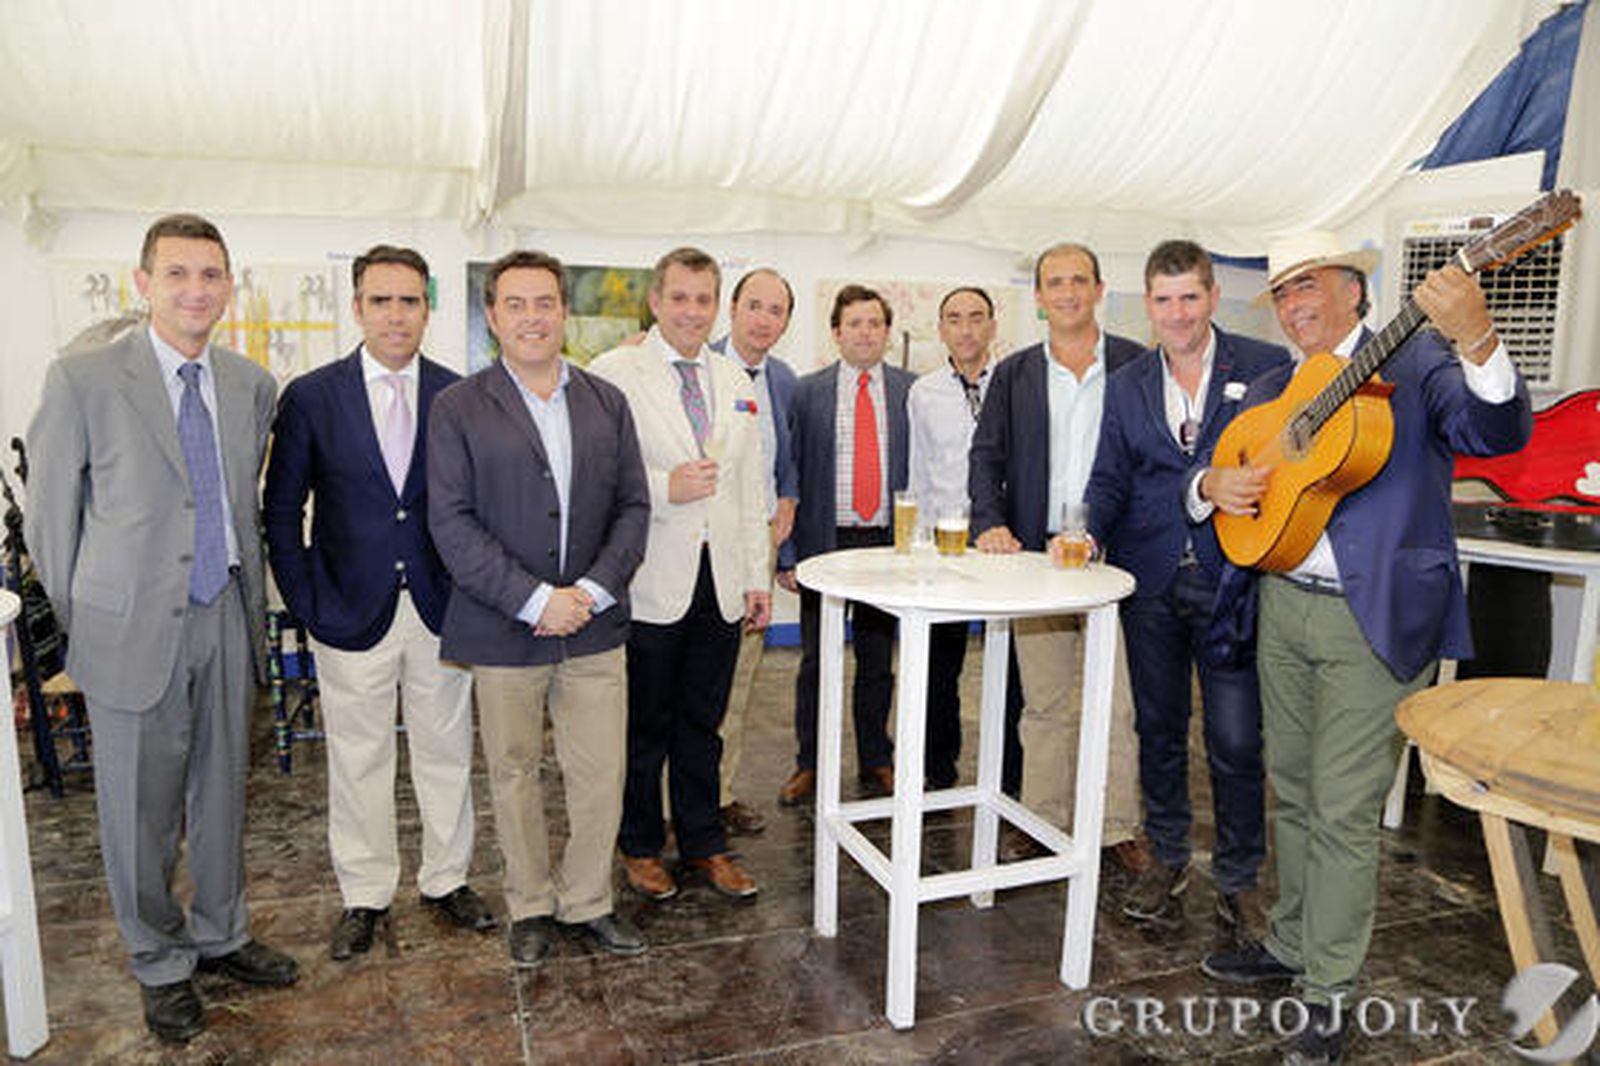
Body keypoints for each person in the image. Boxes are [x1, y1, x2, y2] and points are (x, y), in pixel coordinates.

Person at [1199, 232, 1532, 1064]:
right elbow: (1229, 463)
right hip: (1282, 605)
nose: (1294, 305)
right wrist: (1215, 485)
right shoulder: (1277, 386)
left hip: (1373, 616)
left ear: (1355, 290)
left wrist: (1479, 337)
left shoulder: (1417, 364)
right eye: (1280, 293)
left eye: (1307, 286)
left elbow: (1498, 431)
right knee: (1293, 792)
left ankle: (1329, 992)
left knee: (1345, 809)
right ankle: (1289, 941)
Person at [24, 213, 295, 1044]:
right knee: (138, 813)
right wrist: (88, 618)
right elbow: (49, 522)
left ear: (229, 286)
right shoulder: (85, 379)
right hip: (127, 629)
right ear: (142, 282)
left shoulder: (252, 384)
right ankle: (158, 959)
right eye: (176, 274)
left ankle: (221, 932)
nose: (195, 290)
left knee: (221, 794)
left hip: (223, 613)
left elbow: (236, 506)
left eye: (211, 274)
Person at [263, 245, 492, 962]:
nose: (396, 315)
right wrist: (306, 600)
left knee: (447, 752)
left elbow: (475, 510)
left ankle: (448, 879)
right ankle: (364, 894)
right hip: (346, 612)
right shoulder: (311, 396)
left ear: (429, 308)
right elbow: (280, 511)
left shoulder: (460, 396)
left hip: (437, 611)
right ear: (357, 306)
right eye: (381, 300)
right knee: (358, 758)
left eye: (409, 301)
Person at [428, 250, 651, 966]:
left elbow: (633, 507)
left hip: (593, 626)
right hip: (502, 626)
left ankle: (588, 901)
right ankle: (529, 902)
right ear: (492, 316)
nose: (532, 317)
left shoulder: (606, 402)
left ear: (565, 312)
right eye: (516, 304)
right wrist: (533, 600)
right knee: (513, 771)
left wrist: (586, 594)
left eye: (545, 302)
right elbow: (452, 522)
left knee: (599, 771)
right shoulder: (457, 407)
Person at [1085, 239, 1290, 932]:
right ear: (1148, 304)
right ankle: (1169, 857)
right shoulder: (1127, 383)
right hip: (1150, 585)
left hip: (1234, 580)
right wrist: (1088, 535)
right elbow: (1112, 477)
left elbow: (1285, 466)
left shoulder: (1265, 368)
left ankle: (1238, 877)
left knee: (1235, 741)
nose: (1177, 313)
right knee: (1159, 729)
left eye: (1190, 298)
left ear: (1212, 297)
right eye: (1164, 300)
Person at [590, 247, 770, 901]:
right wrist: (668, 487)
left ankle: (703, 844)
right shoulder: (613, 374)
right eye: (680, 298)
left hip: (719, 582)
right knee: (644, 726)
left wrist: (757, 576)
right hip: (648, 581)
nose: (692, 311)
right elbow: (599, 479)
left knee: (703, 722)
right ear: (655, 302)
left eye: (703, 299)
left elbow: (751, 487)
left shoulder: (736, 382)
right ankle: (639, 845)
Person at [968, 243, 1146, 867]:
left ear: (1099, 289)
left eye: (1078, 280)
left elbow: (1152, 463)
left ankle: (1117, 826)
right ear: (1038, 298)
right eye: (1054, 283)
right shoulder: (1013, 373)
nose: (1067, 292)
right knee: (1043, 703)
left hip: (1113, 564)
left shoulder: (1136, 365)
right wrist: (990, 523)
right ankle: (1041, 818)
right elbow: (985, 457)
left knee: (1118, 703)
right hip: (1036, 565)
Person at [777, 285, 914, 807]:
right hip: (824, 545)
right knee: (817, 660)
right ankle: (809, 762)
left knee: (878, 661)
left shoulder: (910, 390)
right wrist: (788, 554)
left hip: (885, 545)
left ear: (886, 331)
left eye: (874, 323)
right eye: (853, 323)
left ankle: (877, 757)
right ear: (835, 332)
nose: (864, 332)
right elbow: (789, 473)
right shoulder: (806, 392)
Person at [907, 286, 1011, 791]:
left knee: (1010, 669)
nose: (966, 329)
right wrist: (918, 549)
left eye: (976, 318)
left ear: (993, 326)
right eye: (954, 319)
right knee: (938, 669)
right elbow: (919, 472)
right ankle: (937, 770)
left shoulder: (1016, 382)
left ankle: (1009, 774)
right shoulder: (923, 393)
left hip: (1005, 544)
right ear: (941, 328)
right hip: (945, 545)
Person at [707, 268, 799, 836]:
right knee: (692, 679)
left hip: (758, 541)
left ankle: (718, 792)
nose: (764, 319)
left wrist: (788, 495)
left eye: (776, 311)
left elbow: (784, 452)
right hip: (702, 542)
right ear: (732, 308)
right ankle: (670, 802)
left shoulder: (784, 379)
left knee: (740, 678)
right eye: (755, 306)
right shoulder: (702, 369)